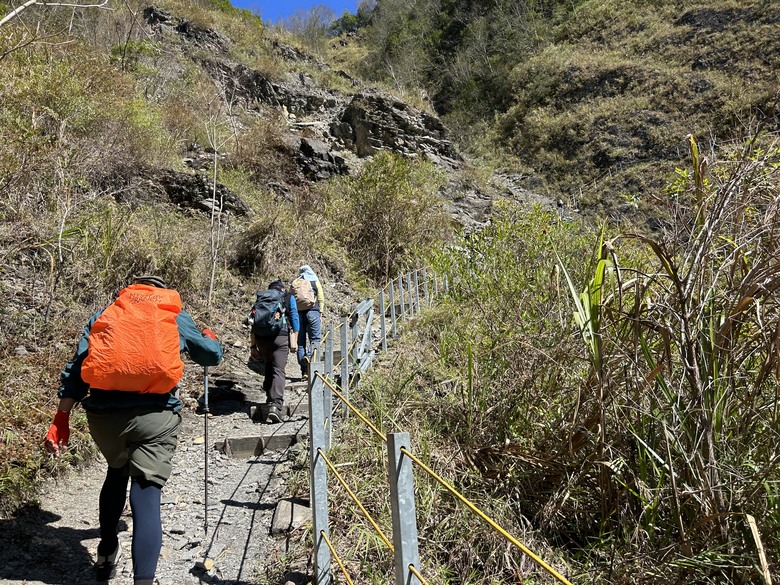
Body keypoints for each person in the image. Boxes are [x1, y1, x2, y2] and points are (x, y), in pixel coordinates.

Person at [43, 275, 223, 585]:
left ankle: (107, 551)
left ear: (129, 290)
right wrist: (208, 335)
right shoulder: (172, 314)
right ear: (160, 290)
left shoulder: (107, 314)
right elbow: (211, 355)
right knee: (146, 490)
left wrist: (61, 419)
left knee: (116, 471)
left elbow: (76, 371)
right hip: (156, 417)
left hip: (105, 419)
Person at [249, 279, 299, 423]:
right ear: (282, 289)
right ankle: (276, 406)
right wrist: (295, 338)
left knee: (269, 365)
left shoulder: (261, 299)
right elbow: (294, 317)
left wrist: (253, 347)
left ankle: (269, 400)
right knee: (278, 369)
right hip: (280, 337)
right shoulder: (287, 297)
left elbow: (252, 322)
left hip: (261, 339)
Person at [294, 265, 324, 379]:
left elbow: (291, 299)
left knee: (300, 342)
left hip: (298, 314)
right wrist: (320, 312)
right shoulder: (314, 281)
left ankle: (304, 371)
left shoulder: (296, 282)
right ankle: (309, 355)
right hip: (313, 312)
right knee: (315, 339)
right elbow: (320, 297)